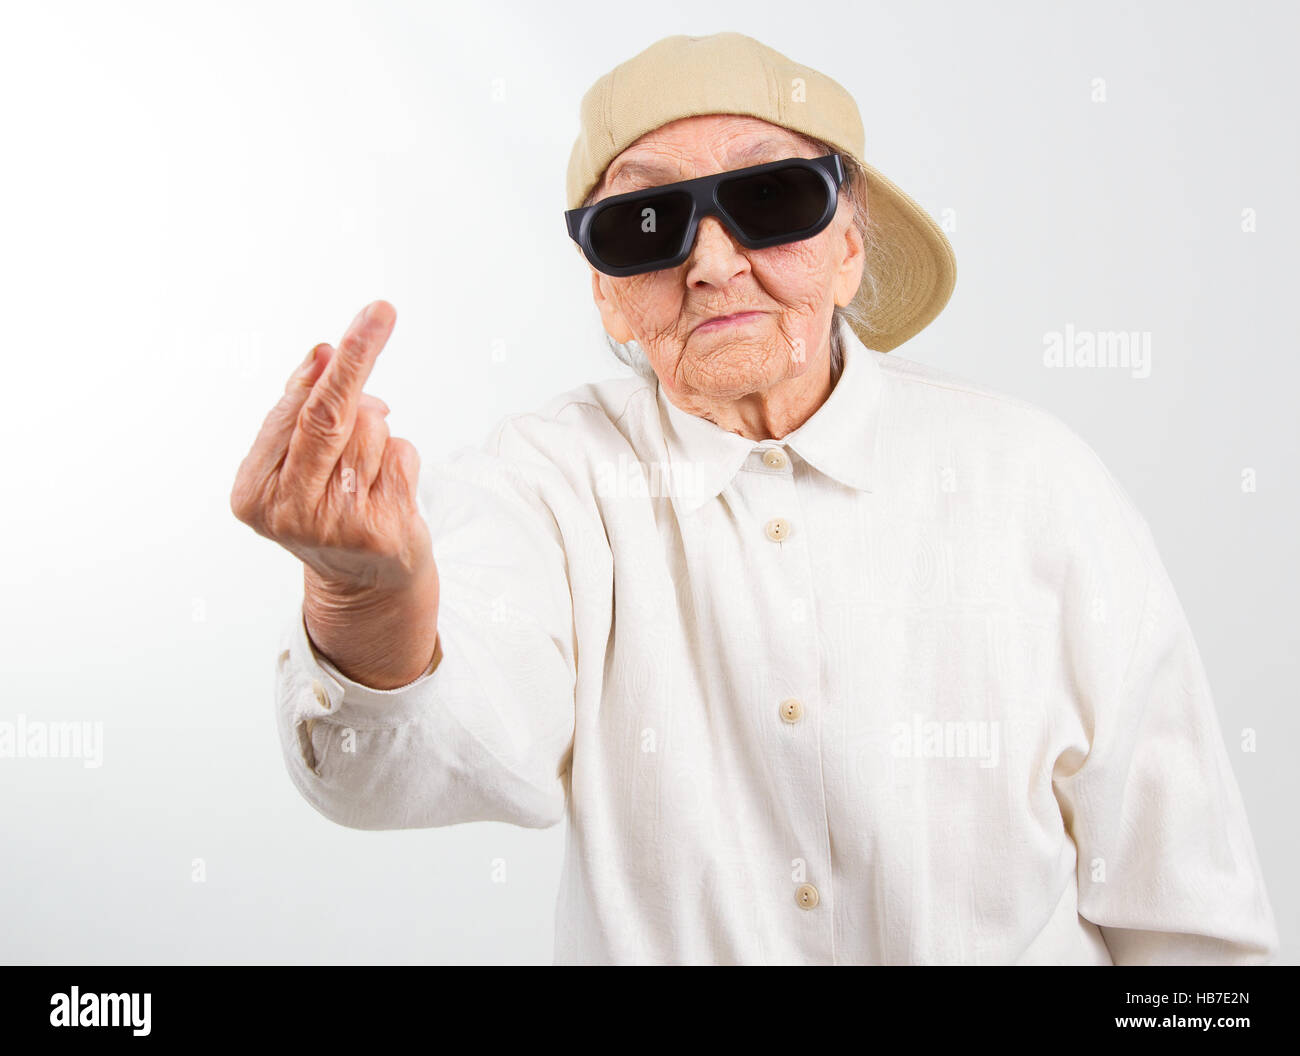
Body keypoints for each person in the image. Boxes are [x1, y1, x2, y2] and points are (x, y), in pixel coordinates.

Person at [230, 32, 1278, 965]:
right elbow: (425, 752)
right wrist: (363, 599)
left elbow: (1186, 911)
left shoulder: (1035, 483)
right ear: (603, 285)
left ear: (848, 242)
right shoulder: (547, 482)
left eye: (771, 199)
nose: (711, 263)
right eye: (645, 222)